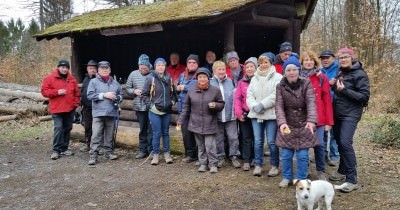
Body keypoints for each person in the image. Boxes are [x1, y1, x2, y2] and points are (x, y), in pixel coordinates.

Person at [329, 47, 370, 193]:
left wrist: (343, 90)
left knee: (346, 142)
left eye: (346, 57)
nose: (343, 60)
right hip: (338, 113)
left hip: (351, 114)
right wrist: (333, 85)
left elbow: (364, 97)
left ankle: (352, 179)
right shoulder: (340, 72)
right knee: (340, 141)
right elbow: (338, 90)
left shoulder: (360, 74)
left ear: (352, 58)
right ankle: (342, 170)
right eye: (340, 58)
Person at [275, 55, 318, 187]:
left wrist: (311, 121)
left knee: (303, 155)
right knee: (286, 154)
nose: (291, 72)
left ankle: (301, 179)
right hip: (288, 125)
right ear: (284, 72)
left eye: (294, 69)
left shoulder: (306, 83)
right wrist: (282, 122)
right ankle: (286, 177)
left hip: (304, 124)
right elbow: (279, 105)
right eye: (288, 70)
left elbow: (311, 102)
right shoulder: (280, 86)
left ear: (299, 70)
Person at [177, 68, 225, 173]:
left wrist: (215, 105)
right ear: (197, 78)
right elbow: (186, 107)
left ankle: (213, 164)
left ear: (208, 78)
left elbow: (221, 104)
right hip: (195, 123)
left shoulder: (215, 90)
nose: (202, 79)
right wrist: (180, 120)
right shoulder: (191, 90)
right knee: (201, 146)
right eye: (200, 77)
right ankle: (203, 163)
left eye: (204, 77)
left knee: (210, 145)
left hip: (210, 123)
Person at [300, 50, 334, 180]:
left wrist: (328, 122)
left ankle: (321, 170)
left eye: (311, 60)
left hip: (319, 119)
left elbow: (327, 101)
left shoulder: (321, 78)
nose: (309, 62)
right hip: (302, 118)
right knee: (304, 145)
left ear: (315, 62)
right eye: (306, 60)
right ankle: (305, 170)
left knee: (319, 145)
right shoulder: (298, 77)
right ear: (302, 62)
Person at [246, 53, 282, 176]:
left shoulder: (278, 77)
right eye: (261, 63)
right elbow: (249, 95)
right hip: (256, 114)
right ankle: (258, 165)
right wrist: (255, 106)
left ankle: (274, 165)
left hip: (271, 114)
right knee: (258, 141)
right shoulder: (254, 78)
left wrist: (263, 104)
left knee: (272, 141)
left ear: (271, 63)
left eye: (266, 62)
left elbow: (276, 94)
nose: (263, 65)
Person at [41, 60, 80, 160]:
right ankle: (56, 150)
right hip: (57, 109)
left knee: (67, 128)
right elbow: (44, 92)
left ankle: (64, 148)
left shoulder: (72, 79)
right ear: (58, 67)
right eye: (62, 67)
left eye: (66, 67)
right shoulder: (50, 78)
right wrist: (56, 92)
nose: (64, 69)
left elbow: (77, 93)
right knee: (58, 128)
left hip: (69, 109)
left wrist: (75, 104)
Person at [142, 57, 177, 165]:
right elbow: (144, 94)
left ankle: (167, 154)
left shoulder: (169, 78)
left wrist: (172, 102)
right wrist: (151, 106)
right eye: (158, 65)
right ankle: (156, 155)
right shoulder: (150, 78)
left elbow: (174, 94)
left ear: (165, 66)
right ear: (155, 67)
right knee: (156, 133)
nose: (161, 67)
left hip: (166, 110)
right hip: (154, 111)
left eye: (162, 65)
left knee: (166, 133)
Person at [87, 61, 123, 165]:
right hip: (98, 113)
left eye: (106, 68)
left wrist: (118, 98)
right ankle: (93, 155)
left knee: (109, 135)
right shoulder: (93, 82)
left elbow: (121, 95)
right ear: (98, 70)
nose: (105, 70)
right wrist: (104, 95)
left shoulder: (115, 83)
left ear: (110, 70)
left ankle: (108, 152)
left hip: (111, 113)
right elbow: (90, 95)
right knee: (96, 135)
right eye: (102, 68)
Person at [210, 60, 241, 168]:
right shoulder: (210, 83)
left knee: (233, 137)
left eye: (223, 69)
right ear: (214, 71)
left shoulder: (231, 81)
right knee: (218, 138)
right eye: (219, 69)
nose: (222, 71)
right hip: (216, 116)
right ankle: (220, 156)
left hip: (230, 114)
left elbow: (236, 96)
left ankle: (234, 156)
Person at [126, 54, 153, 159]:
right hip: (139, 106)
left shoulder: (153, 74)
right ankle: (142, 150)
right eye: (141, 66)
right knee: (142, 129)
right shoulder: (133, 74)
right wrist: (134, 91)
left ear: (148, 66)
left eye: (145, 67)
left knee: (151, 129)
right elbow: (127, 88)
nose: (143, 68)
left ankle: (151, 150)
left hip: (151, 106)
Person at [234, 57, 257, 171]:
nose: (249, 69)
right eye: (247, 67)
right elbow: (237, 98)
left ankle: (256, 159)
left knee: (257, 138)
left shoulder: (259, 80)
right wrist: (238, 113)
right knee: (246, 137)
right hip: (245, 113)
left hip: (257, 114)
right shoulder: (241, 82)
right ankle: (246, 160)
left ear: (256, 67)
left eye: (251, 66)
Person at [176, 54, 199, 163]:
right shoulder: (182, 75)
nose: (191, 64)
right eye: (189, 62)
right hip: (183, 109)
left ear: (197, 64)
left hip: (196, 109)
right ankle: (190, 155)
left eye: (194, 62)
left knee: (198, 133)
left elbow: (200, 86)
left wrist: (184, 87)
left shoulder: (201, 74)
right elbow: (177, 87)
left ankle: (200, 155)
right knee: (186, 133)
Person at [320, 49, 341, 166]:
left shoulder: (339, 70)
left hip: (336, 105)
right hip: (324, 106)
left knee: (334, 132)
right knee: (323, 132)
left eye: (327, 58)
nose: (325, 60)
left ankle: (334, 156)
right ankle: (323, 156)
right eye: (323, 58)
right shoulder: (320, 71)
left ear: (333, 58)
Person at [80, 60, 98, 152]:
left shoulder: (99, 79)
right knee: (88, 127)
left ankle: (97, 146)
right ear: (87, 69)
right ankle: (88, 144)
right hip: (87, 108)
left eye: (94, 68)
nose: (93, 70)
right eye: (90, 68)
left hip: (97, 108)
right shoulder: (86, 79)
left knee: (97, 128)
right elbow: (83, 92)